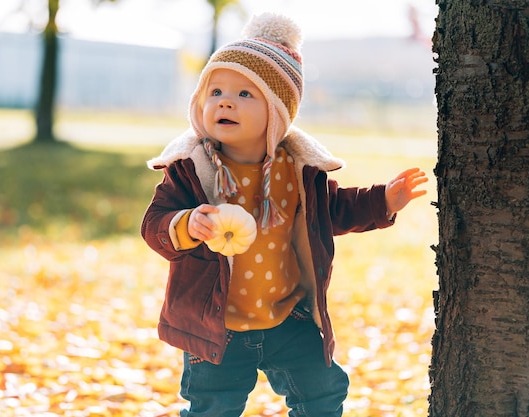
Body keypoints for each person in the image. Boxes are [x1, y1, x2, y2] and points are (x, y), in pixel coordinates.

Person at [140, 12, 428, 417]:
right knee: (212, 408)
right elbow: (155, 224)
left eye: (245, 94)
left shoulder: (295, 171)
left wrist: (384, 200)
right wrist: (185, 224)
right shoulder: (191, 170)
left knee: (323, 394)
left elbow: (336, 209)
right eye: (216, 91)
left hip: (287, 318)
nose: (225, 101)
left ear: (277, 111)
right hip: (216, 327)